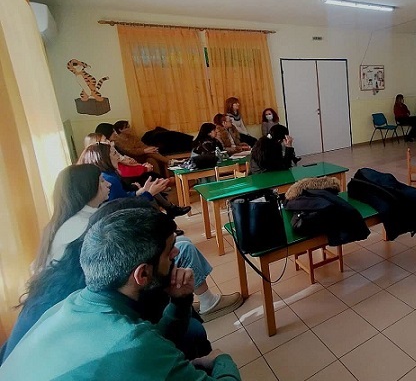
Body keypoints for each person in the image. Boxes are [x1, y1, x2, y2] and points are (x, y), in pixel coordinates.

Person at [0, 207, 242, 380]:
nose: (176, 254)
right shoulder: (131, 342)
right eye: (169, 251)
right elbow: (137, 348)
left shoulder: (70, 305)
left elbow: (150, 344)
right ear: (142, 274)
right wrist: (221, 361)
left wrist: (179, 302)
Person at [78, 142, 191, 218]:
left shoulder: (109, 174)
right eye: (114, 154)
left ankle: (167, 218)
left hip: (125, 209)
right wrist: (148, 193)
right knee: (151, 201)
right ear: (104, 158)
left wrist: (141, 191)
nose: (118, 157)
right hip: (124, 217)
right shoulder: (109, 180)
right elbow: (123, 207)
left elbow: (123, 197)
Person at [35, 164, 110, 271]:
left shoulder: (82, 218)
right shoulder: (79, 225)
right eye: (102, 181)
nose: (108, 184)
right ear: (86, 187)